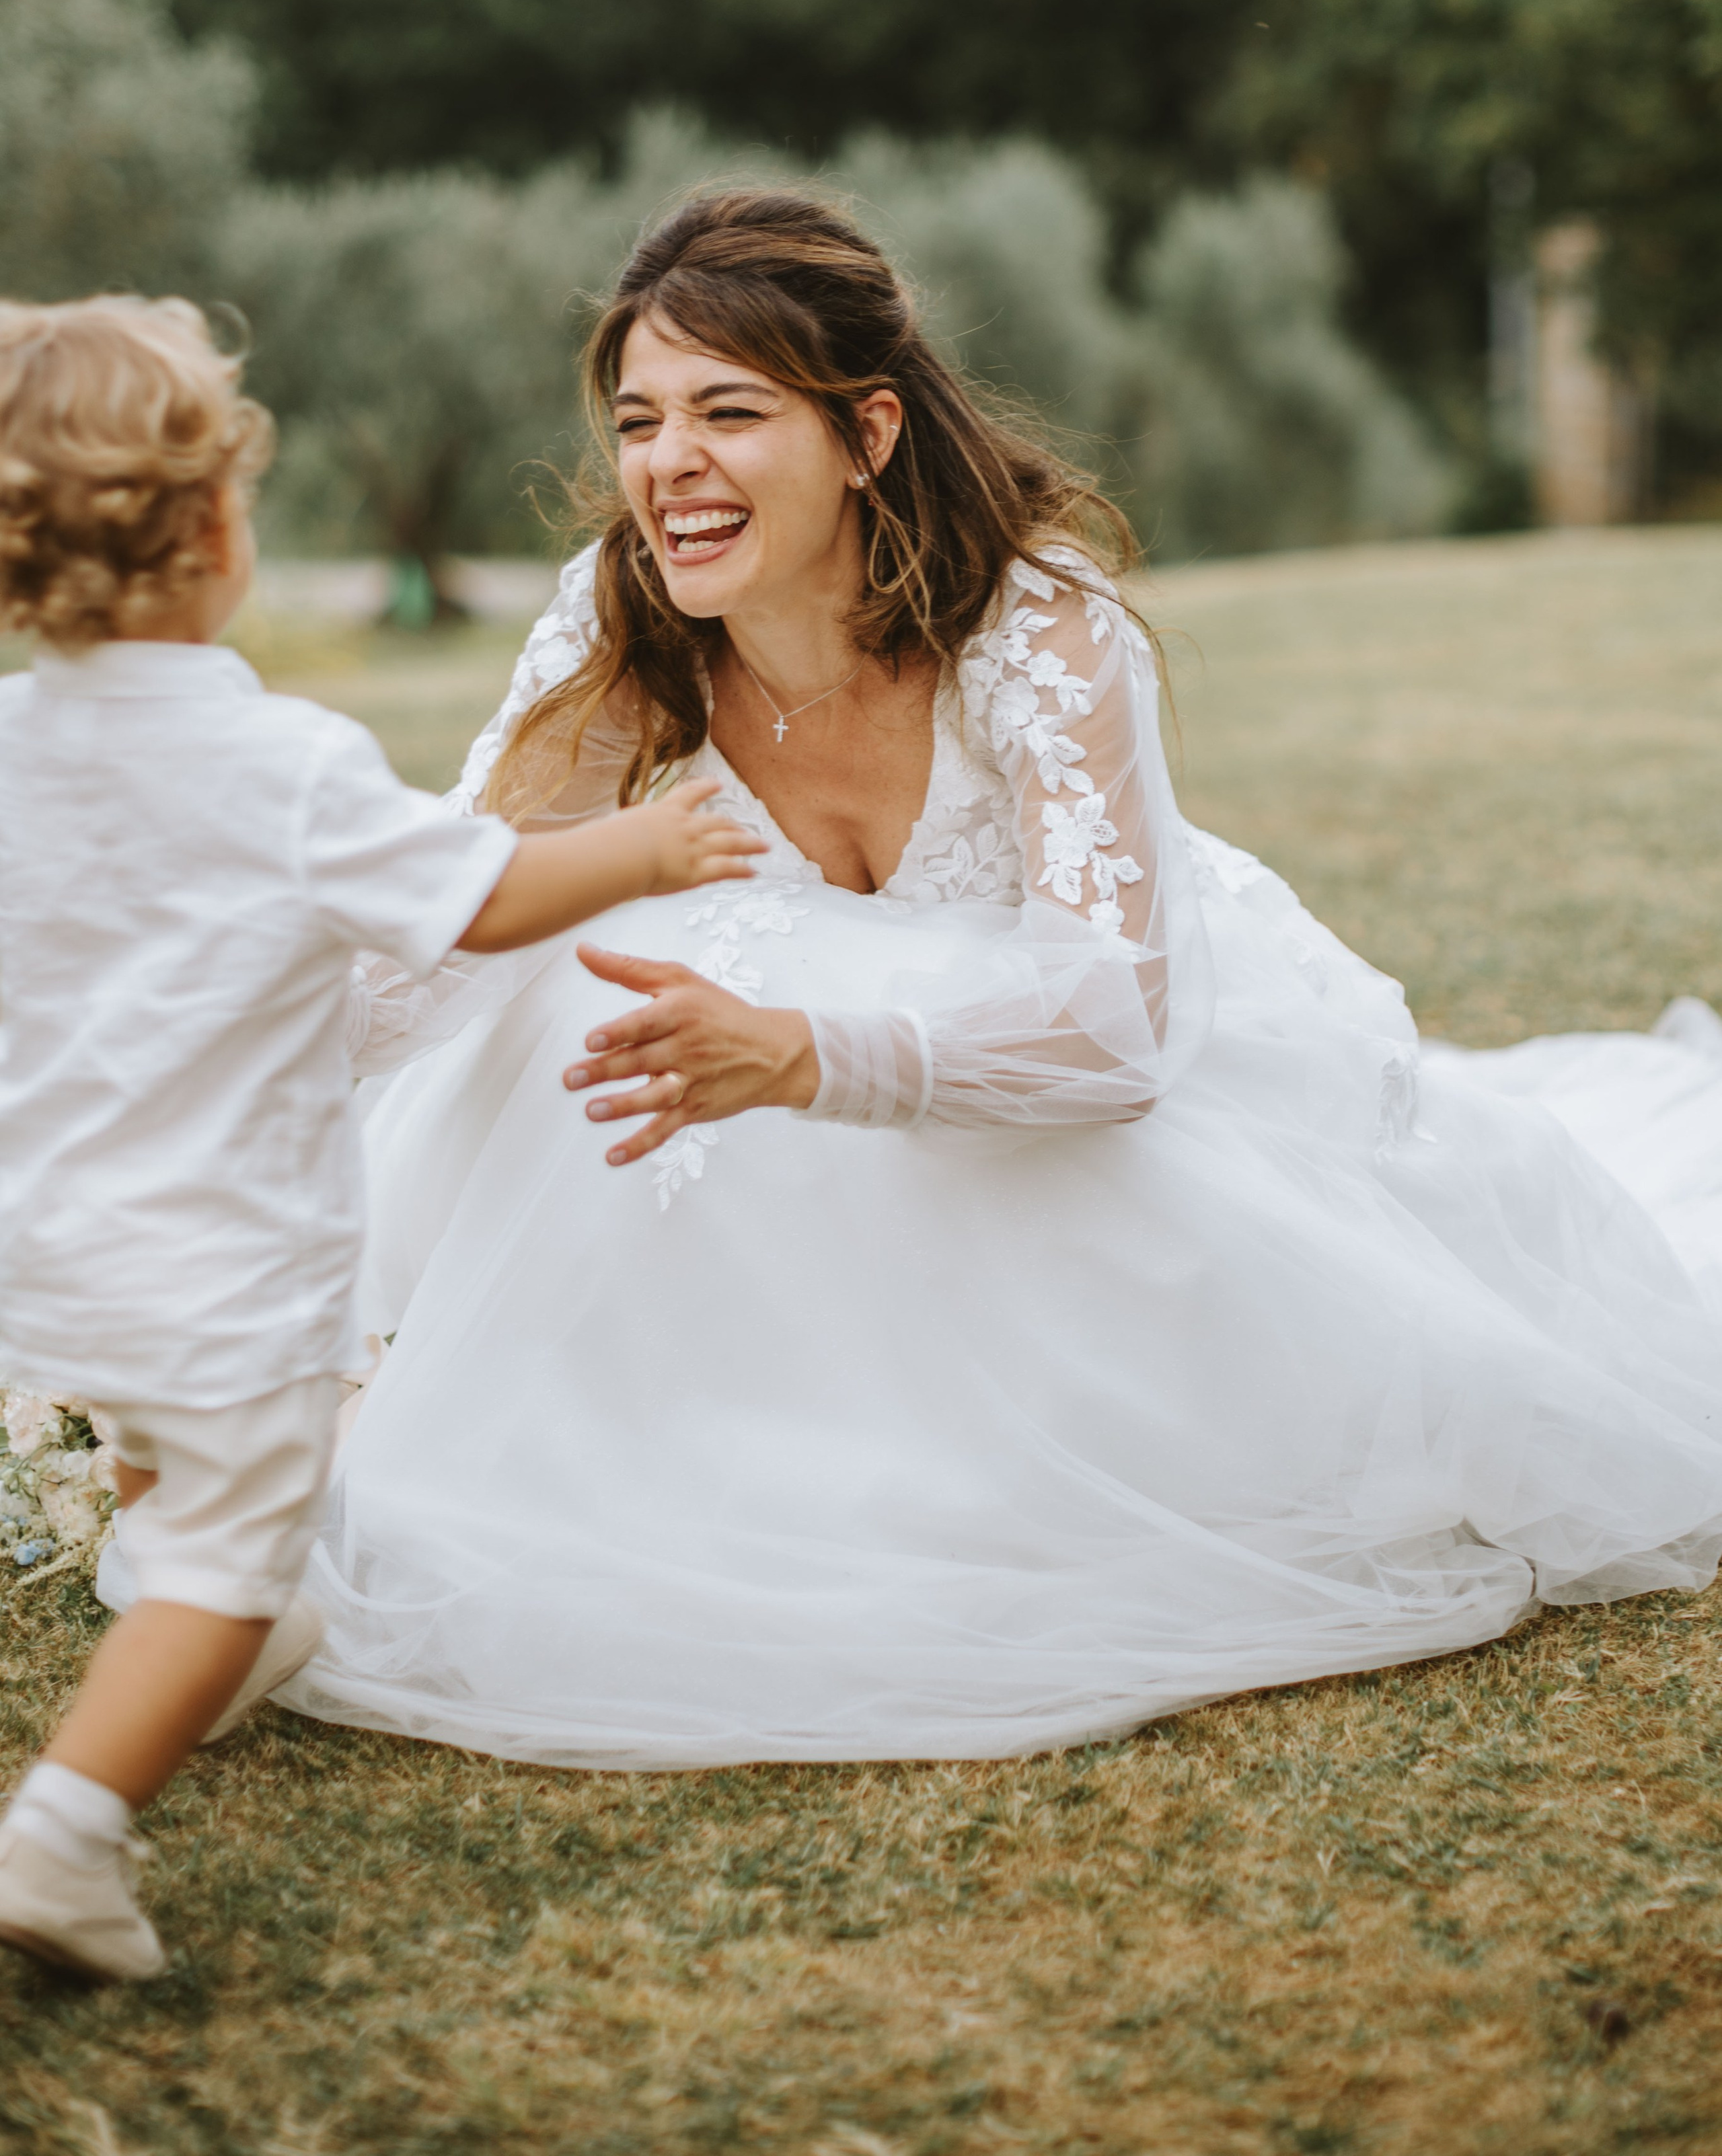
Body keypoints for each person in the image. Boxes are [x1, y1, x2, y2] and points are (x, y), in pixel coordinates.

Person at [252, 190, 1722, 1768]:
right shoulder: (620, 622)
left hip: (1075, 1091)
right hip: (762, 1135)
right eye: (637, 421)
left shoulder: (1040, 628)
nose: (667, 464)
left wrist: (812, 1057)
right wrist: (252, 1058)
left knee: (738, 978)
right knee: (612, 970)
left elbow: (1115, 1028)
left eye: (728, 413)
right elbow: (470, 924)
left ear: (866, 431)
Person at [0, 297, 762, 1981]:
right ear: (213, 531)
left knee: (159, 1469)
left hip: (52, 1239)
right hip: (226, 1246)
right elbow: (475, 903)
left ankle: (186, 1631)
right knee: (234, 1538)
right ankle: (63, 1826)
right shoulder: (277, 761)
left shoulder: (10, 746)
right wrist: (636, 849)